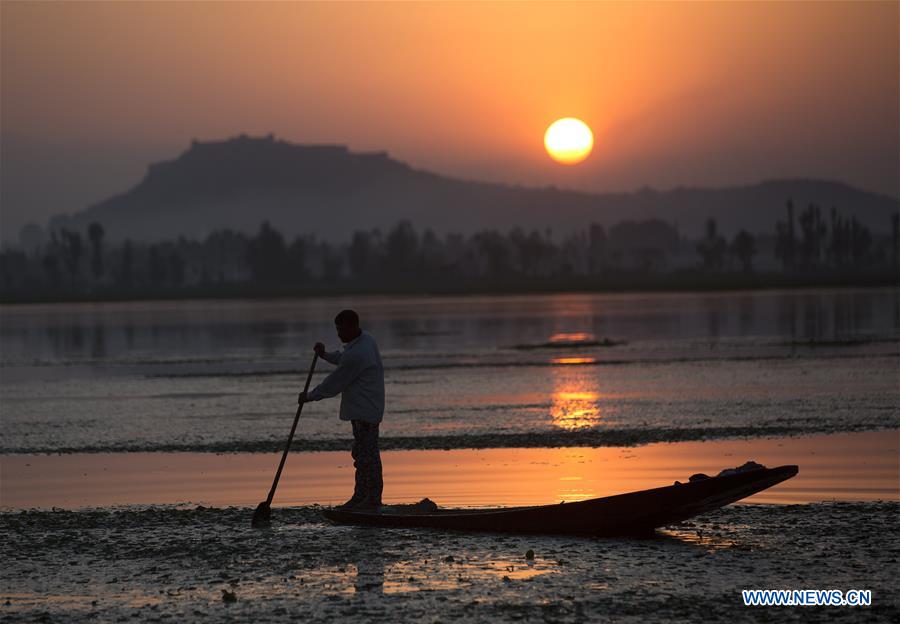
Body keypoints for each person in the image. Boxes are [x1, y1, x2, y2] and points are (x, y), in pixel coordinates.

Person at [298, 309, 385, 511]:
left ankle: (371, 500)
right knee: (363, 454)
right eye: (337, 329)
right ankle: (361, 497)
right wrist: (325, 355)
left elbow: (334, 383)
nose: (338, 334)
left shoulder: (359, 352)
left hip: (365, 410)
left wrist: (310, 396)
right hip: (367, 408)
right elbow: (344, 358)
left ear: (353, 326)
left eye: (341, 329)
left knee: (367, 456)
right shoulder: (365, 341)